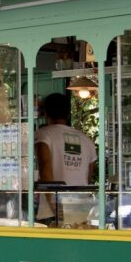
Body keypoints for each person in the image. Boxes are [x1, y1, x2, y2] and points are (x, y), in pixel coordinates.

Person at [35, 93, 97, 225]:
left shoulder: (44, 134)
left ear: (46, 113)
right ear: (68, 114)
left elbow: (45, 166)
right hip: (81, 208)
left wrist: (53, 203)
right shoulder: (87, 141)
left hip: (54, 211)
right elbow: (88, 178)